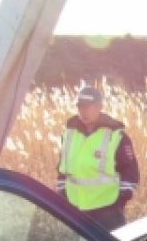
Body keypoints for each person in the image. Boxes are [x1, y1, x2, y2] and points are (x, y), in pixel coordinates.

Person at [56, 85, 139, 230]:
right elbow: (62, 169)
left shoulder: (115, 135)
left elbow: (130, 172)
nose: (84, 111)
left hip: (107, 211)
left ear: (99, 107)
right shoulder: (69, 133)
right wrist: (63, 195)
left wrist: (119, 202)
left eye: (89, 106)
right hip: (75, 209)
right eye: (81, 106)